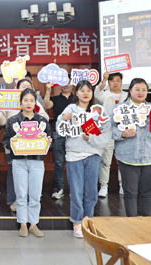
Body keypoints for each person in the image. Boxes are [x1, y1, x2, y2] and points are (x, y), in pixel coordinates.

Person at [60, 80, 111, 238]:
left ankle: (88, 220)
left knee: (91, 192)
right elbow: (60, 129)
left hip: (93, 155)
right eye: (82, 90)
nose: (86, 93)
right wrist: (63, 118)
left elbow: (106, 134)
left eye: (89, 90)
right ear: (76, 93)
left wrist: (92, 139)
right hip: (74, 155)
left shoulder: (98, 111)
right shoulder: (70, 109)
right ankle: (77, 221)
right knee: (76, 191)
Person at [111, 78, 151, 217]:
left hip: (150, 157)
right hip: (128, 157)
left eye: (144, 90)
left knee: (148, 192)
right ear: (130, 91)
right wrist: (122, 133)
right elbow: (109, 129)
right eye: (137, 89)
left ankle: (147, 223)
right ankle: (132, 224)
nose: (140, 92)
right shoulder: (120, 109)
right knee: (130, 193)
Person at [0, 78, 50, 212]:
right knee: (13, 173)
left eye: (28, 86)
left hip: (33, 147)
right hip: (14, 147)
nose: (26, 88)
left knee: (31, 175)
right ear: (16, 88)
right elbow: (1, 121)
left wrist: (35, 111)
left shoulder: (34, 103)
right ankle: (14, 201)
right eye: (23, 86)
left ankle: (29, 202)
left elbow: (45, 119)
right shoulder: (10, 102)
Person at [2, 88, 52, 237]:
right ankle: (23, 224)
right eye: (25, 100)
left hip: (37, 162)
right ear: (20, 102)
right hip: (19, 162)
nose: (28, 103)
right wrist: (17, 147)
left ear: (35, 102)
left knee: (35, 194)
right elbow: (5, 141)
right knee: (21, 194)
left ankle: (33, 224)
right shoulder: (13, 121)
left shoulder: (42, 121)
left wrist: (49, 141)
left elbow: (50, 140)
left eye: (31, 100)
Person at [95, 72, 125, 198]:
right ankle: (104, 186)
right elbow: (97, 94)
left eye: (118, 80)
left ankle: (123, 185)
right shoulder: (105, 95)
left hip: (124, 131)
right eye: (112, 81)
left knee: (123, 161)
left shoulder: (127, 96)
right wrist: (103, 80)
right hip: (108, 131)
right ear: (109, 82)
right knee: (105, 161)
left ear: (121, 82)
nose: (115, 83)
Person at [45, 82, 74, 200]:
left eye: (69, 82)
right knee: (59, 163)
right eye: (63, 83)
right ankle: (59, 188)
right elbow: (47, 105)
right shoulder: (56, 98)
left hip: (74, 134)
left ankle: (74, 189)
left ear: (73, 84)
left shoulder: (76, 99)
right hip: (59, 134)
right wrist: (48, 90)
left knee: (74, 162)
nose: (66, 85)